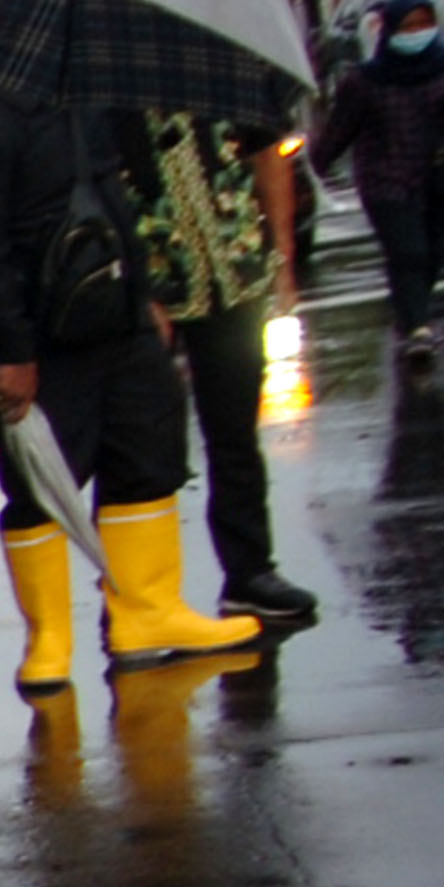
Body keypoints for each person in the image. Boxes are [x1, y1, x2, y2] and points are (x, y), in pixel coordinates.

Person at [0, 81, 268, 693]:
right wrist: (12, 353)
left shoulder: (87, 107)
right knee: (39, 483)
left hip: (121, 323)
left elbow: (120, 205)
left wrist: (143, 297)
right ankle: (49, 638)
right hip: (42, 346)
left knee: (147, 457)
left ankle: (148, 612)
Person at [135, 112, 322, 628]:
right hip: (148, 286)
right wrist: (136, 289)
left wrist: (282, 257)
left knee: (235, 434)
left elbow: (267, 154)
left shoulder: (223, 78)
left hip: (233, 277)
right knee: (141, 450)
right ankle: (140, 597)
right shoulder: (106, 94)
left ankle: (250, 571)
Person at [313, 0, 444, 365]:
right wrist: (315, 165)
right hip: (386, 182)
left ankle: (410, 312)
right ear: (390, 30)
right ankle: (417, 328)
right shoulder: (365, 81)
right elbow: (339, 130)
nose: (417, 33)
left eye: (424, 24)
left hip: (440, 178)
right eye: (408, 26)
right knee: (408, 250)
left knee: (432, 252)